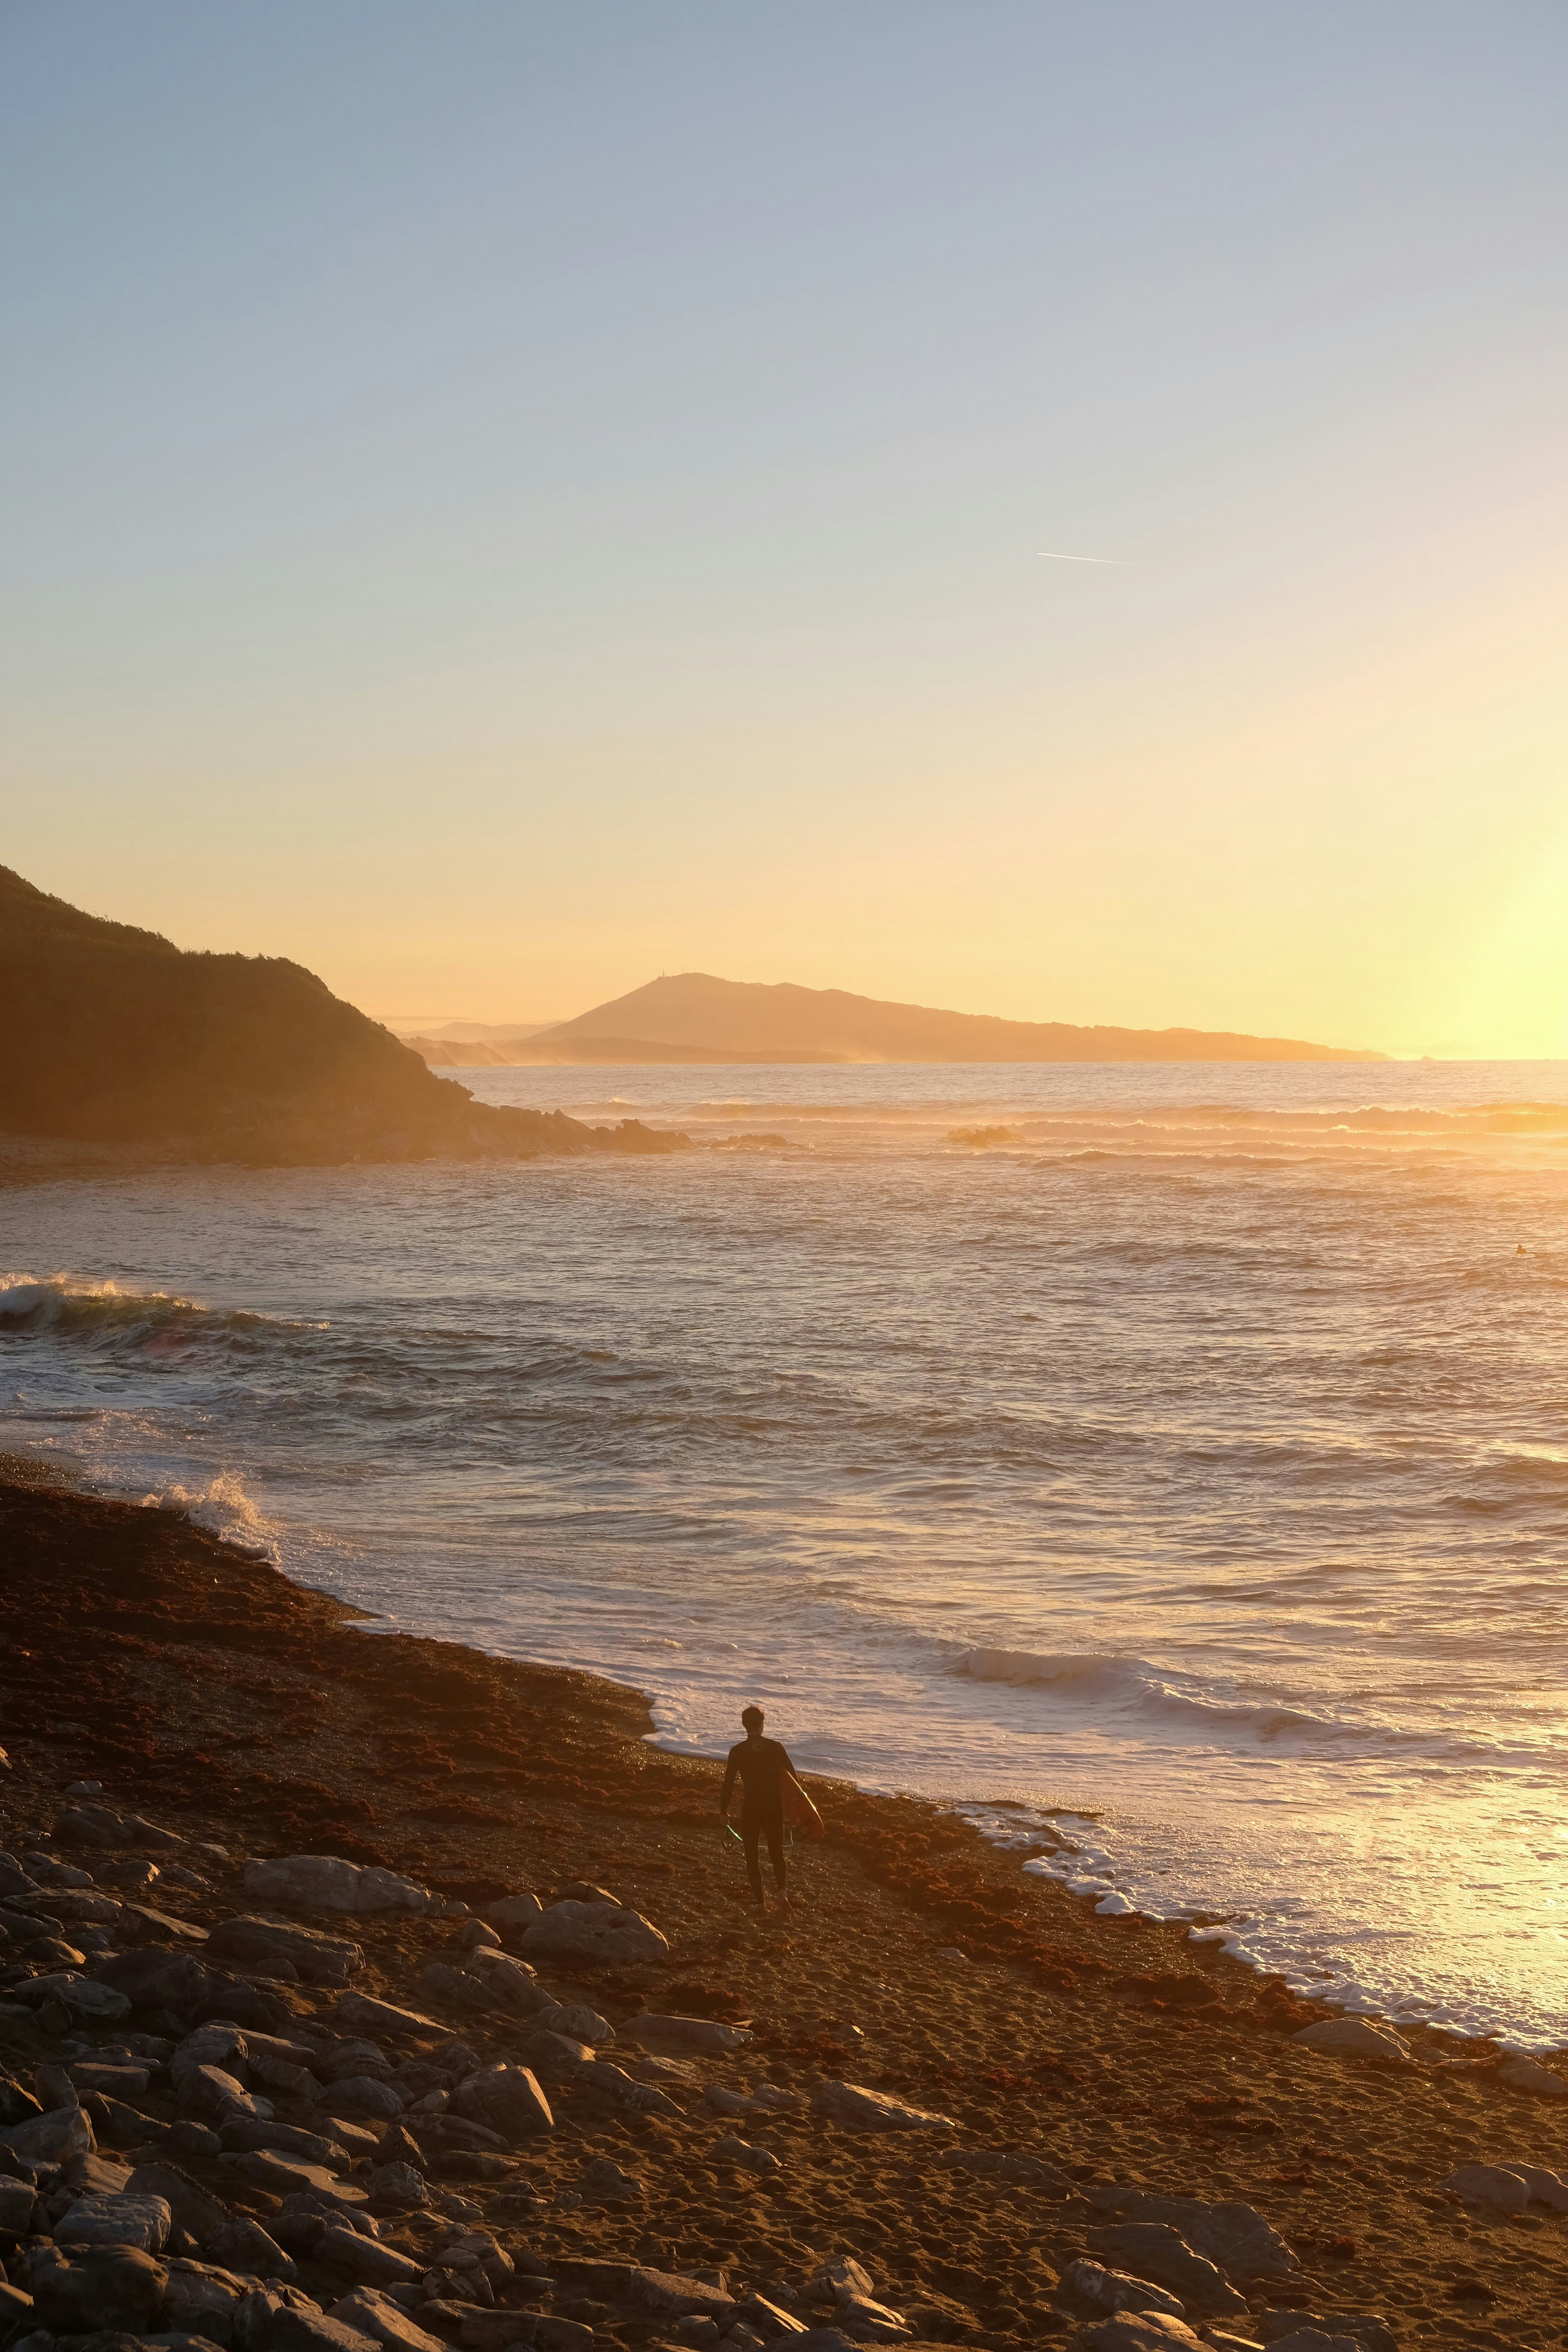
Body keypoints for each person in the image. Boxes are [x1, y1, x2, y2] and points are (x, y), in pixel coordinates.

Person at [719, 1704, 799, 1909]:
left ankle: (760, 1903)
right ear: (762, 1725)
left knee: (752, 1856)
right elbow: (794, 1781)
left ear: (745, 1726)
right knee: (777, 1853)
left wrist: (723, 1812)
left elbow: (728, 1784)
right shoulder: (776, 1747)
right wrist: (795, 1810)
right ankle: (781, 1893)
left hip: (751, 1809)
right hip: (774, 1809)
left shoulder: (737, 1752)